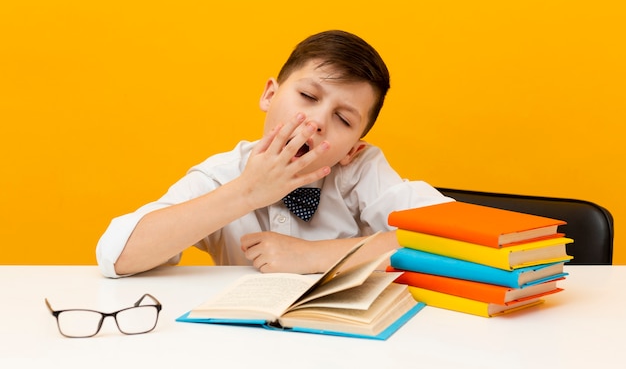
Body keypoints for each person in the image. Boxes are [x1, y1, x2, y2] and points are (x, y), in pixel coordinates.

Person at [96, 30, 452, 278]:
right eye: (309, 97)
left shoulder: (360, 170)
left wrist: (313, 256)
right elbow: (117, 256)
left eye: (342, 119)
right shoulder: (223, 174)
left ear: (352, 150)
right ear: (269, 95)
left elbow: (456, 236)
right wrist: (247, 191)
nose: (315, 121)